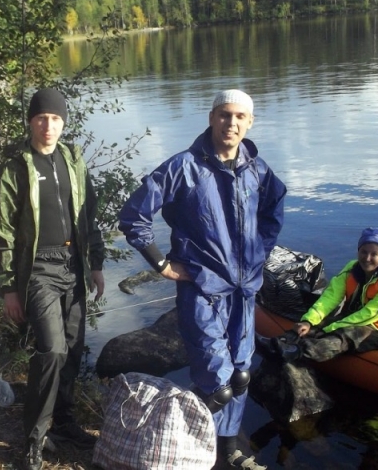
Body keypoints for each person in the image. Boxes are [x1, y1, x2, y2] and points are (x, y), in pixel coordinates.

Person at [118, 89, 286, 470]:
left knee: (241, 375)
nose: (232, 123)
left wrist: (258, 254)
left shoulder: (257, 169)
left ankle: (227, 450)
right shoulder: (184, 167)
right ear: (212, 118)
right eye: (225, 115)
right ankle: (174, 443)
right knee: (218, 383)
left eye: (240, 117)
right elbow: (134, 216)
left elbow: (274, 209)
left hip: (244, 292)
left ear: (250, 122)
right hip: (203, 290)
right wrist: (162, 265)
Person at [0, 88, 106, 470]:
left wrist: (96, 264)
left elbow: (89, 217)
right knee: (51, 349)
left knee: (71, 347)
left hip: (74, 266)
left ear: (63, 122)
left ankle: (65, 422)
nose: (48, 126)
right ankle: (34, 439)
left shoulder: (73, 160)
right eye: (41, 118)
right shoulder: (16, 167)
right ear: (30, 122)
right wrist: (7, 288)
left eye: (55, 119)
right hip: (38, 271)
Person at [270, 227, 378, 362]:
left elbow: (370, 314)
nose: (367, 258)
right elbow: (331, 296)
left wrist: (332, 328)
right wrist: (309, 321)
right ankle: (280, 342)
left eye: (374, 254)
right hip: (359, 318)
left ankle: (300, 352)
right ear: (358, 251)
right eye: (363, 252)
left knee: (345, 335)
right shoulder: (352, 268)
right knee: (318, 324)